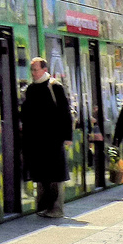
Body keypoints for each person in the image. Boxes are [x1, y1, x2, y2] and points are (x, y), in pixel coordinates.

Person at [21, 57, 72, 218]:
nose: (33, 73)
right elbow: (26, 114)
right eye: (32, 70)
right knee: (41, 174)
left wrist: (67, 136)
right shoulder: (30, 89)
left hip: (53, 139)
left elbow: (65, 112)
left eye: (36, 70)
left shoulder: (54, 86)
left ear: (44, 69)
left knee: (54, 175)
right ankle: (43, 206)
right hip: (36, 140)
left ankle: (56, 208)